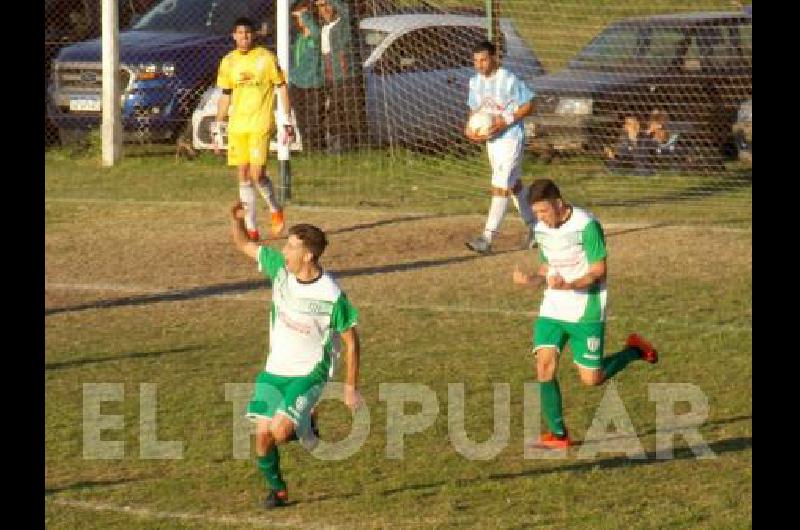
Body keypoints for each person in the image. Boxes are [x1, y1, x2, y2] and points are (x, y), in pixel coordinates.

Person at [229, 200, 363, 508]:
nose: (285, 252)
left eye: (291, 247)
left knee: (278, 432)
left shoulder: (331, 294)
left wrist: (349, 387)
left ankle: (302, 419)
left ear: (308, 255)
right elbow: (243, 244)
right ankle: (278, 491)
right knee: (262, 439)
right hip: (275, 369)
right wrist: (235, 219)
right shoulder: (280, 271)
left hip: (310, 373)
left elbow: (352, 342)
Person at [512, 178, 658, 448]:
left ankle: (635, 350)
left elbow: (599, 270)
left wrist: (570, 284)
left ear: (558, 202)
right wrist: (531, 279)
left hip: (586, 309)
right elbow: (547, 268)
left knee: (592, 379)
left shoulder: (586, 225)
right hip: (553, 308)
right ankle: (559, 435)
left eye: (544, 211)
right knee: (544, 366)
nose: (541, 218)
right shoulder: (542, 230)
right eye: (536, 213)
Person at [213, 17, 296, 242]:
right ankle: (251, 227)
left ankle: (275, 208)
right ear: (234, 36)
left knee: (257, 174)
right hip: (237, 126)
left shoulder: (266, 59)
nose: (244, 36)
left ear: (254, 35)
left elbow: (282, 87)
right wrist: (218, 125)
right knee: (242, 174)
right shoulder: (228, 62)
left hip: (260, 122)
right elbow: (225, 95)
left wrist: (286, 120)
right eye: (240, 33)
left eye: (248, 33)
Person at [464, 40, 538, 255]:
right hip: (492, 142)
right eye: (476, 61)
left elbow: (531, 103)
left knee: (500, 184)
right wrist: (470, 128)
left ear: (494, 58)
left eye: (484, 60)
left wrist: (506, 120)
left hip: (511, 138)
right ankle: (536, 230)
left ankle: (486, 239)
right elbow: (474, 109)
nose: (479, 64)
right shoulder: (474, 82)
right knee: (513, 184)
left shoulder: (508, 79)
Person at [315, 0, 363, 152]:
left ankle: (364, 151)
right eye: (321, 6)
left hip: (347, 79)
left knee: (354, 118)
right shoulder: (322, 29)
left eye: (328, 4)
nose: (326, 9)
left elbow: (346, 11)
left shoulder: (344, 24)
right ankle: (346, 151)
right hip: (330, 81)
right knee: (336, 119)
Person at [289, 0, 325, 151]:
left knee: (314, 121)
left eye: (304, 14)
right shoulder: (298, 38)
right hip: (298, 85)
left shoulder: (316, 34)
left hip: (313, 85)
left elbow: (316, 33)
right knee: (302, 121)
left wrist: (305, 16)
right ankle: (308, 150)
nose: (301, 18)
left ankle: (317, 151)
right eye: (298, 15)